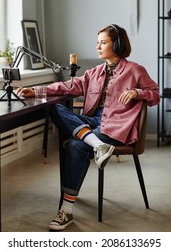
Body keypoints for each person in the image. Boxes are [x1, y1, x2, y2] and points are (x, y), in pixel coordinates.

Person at [17, 24, 160, 231]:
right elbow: (68, 86)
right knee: (55, 108)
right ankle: (97, 144)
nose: (98, 47)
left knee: (77, 146)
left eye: (103, 42)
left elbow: (155, 95)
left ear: (117, 44)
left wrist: (138, 92)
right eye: (97, 42)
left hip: (117, 127)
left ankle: (66, 211)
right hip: (93, 123)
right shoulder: (94, 72)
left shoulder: (135, 70)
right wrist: (36, 90)